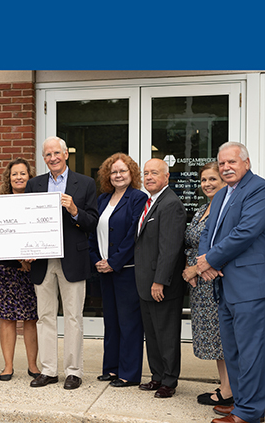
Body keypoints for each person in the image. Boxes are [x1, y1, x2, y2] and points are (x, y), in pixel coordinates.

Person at [198, 142, 265, 423]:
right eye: (221, 163)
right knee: (234, 350)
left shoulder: (258, 189)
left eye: (232, 162)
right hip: (224, 285)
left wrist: (210, 260)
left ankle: (248, 413)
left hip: (248, 286)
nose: (225, 167)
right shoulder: (224, 193)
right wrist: (205, 259)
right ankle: (245, 402)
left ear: (246, 163)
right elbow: (208, 231)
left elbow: (246, 232)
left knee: (250, 351)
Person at [25, 136, 98, 390]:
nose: (52, 158)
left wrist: (75, 210)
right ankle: (48, 370)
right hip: (42, 261)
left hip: (73, 259)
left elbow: (92, 222)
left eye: (56, 153)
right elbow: (28, 222)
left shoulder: (86, 183)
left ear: (66, 154)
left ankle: (73, 371)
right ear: (43, 158)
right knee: (44, 316)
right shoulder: (34, 185)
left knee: (73, 317)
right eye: (47, 155)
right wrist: (28, 248)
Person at [89, 153, 147, 387]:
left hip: (126, 270)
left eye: (122, 171)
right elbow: (92, 232)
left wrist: (114, 261)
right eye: (113, 172)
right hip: (104, 270)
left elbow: (134, 234)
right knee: (111, 322)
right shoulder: (102, 199)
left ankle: (129, 373)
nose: (118, 175)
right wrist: (96, 260)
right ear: (107, 176)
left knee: (129, 323)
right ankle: (111, 368)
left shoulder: (138, 198)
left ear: (131, 173)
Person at [134, 158, 186, 398]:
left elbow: (170, 248)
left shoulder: (171, 204)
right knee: (152, 334)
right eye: (146, 173)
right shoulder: (151, 202)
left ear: (167, 177)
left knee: (166, 334)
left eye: (155, 173)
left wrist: (159, 281)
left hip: (160, 285)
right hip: (145, 282)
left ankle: (169, 380)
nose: (149, 177)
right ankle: (157, 376)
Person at [182, 162, 233, 406]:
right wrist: (189, 270)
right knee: (214, 341)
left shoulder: (226, 209)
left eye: (213, 179)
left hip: (215, 281)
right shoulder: (203, 208)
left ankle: (229, 390)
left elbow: (222, 247)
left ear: (224, 182)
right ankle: (225, 385)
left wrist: (195, 268)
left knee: (223, 338)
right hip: (199, 284)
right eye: (203, 180)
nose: (207, 184)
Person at [0, 158, 40, 381]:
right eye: (14, 174)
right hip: (6, 267)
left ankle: (33, 365)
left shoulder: (38, 202)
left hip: (32, 268)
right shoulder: (0, 204)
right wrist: (17, 258)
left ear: (29, 177)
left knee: (30, 318)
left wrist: (28, 260)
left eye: (23, 173)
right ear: (8, 178)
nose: (19, 177)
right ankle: (8, 366)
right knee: (7, 318)